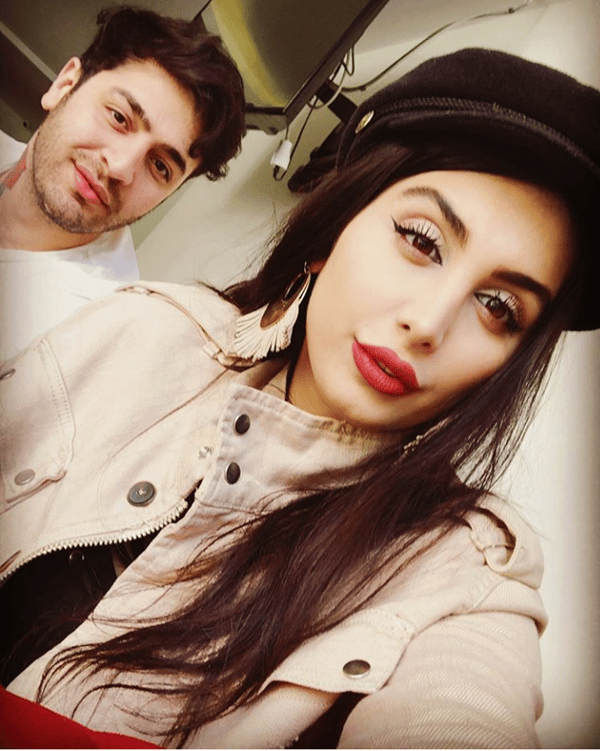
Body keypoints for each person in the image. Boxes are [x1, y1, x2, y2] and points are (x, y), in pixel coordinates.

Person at [1, 47, 599, 749]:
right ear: (332, 230)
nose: (429, 323)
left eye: (498, 306)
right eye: (421, 240)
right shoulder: (144, 328)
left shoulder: (463, 578)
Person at [0, 5, 245, 361]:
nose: (120, 167)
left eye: (159, 166)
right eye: (119, 117)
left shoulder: (73, 343)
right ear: (64, 85)